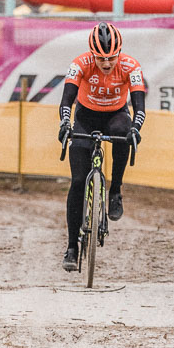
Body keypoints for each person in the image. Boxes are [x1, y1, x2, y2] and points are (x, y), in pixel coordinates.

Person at [57, 22, 146, 271]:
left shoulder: (131, 66)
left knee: (123, 132)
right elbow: (66, 100)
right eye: (101, 58)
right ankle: (72, 247)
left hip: (116, 116)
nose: (106, 63)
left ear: (119, 53)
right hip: (85, 118)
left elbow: (139, 107)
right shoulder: (80, 64)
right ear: (92, 54)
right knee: (77, 182)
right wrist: (65, 123)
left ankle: (115, 190)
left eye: (111, 58)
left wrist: (136, 129)